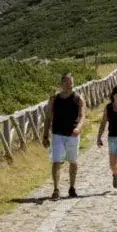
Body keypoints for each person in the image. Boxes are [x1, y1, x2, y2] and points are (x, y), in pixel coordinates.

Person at [42, 72, 86, 200]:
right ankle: (56, 189)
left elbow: (83, 116)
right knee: (56, 161)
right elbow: (48, 117)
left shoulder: (78, 98)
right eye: (67, 82)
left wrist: (78, 128)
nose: (69, 85)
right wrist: (45, 135)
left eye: (71, 82)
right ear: (62, 84)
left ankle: (72, 187)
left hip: (72, 134)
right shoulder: (54, 99)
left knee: (73, 161)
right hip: (57, 134)